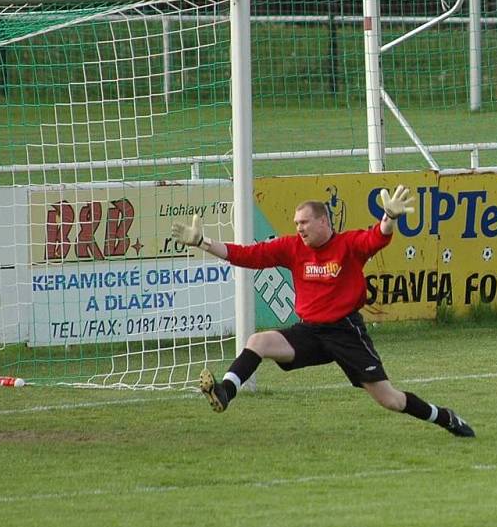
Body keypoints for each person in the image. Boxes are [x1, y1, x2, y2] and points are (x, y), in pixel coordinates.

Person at [171, 185, 475, 437]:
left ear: (323, 222)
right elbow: (247, 255)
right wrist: (203, 241)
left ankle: (445, 418)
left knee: (390, 400)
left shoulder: (348, 245)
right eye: (296, 224)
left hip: (345, 332)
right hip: (310, 332)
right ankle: (226, 392)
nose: (298, 228)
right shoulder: (292, 247)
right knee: (258, 342)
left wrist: (389, 216)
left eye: (304, 222)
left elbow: (377, 237)